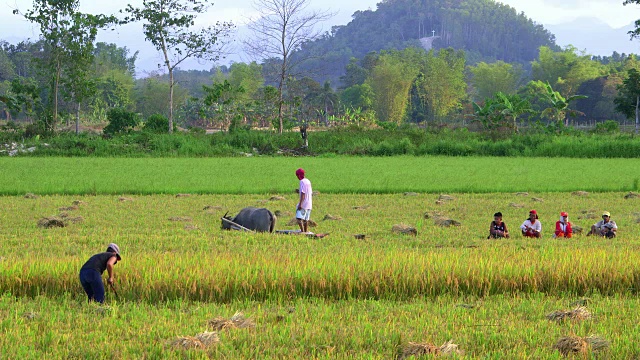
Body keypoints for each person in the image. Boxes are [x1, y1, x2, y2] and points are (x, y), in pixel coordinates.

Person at [295, 168, 313, 233]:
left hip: (304, 203)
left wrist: (300, 204)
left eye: (297, 176)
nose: (297, 177)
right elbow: (309, 192)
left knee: (299, 218)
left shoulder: (302, 182)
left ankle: (302, 232)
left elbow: (303, 193)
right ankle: (306, 231)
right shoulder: (308, 181)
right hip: (309, 203)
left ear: (299, 175)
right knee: (306, 219)